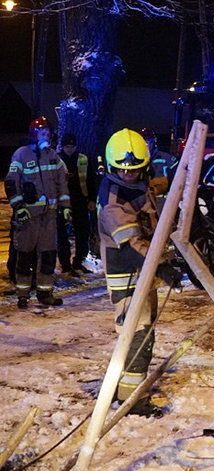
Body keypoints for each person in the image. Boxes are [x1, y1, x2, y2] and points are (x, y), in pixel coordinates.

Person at [98, 128, 181, 416]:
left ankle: (119, 389)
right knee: (139, 336)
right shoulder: (113, 202)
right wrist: (163, 266)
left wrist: (174, 180)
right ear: (112, 167)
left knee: (138, 334)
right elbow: (132, 246)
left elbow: (149, 189)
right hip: (129, 276)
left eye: (135, 170)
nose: (129, 174)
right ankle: (131, 399)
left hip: (142, 273)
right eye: (123, 170)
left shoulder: (135, 184)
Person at [4, 117, 70, 309]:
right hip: (28, 218)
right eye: (43, 133)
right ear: (34, 134)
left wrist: (66, 207)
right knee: (24, 255)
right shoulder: (21, 155)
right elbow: (11, 182)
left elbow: (62, 184)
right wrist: (19, 206)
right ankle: (23, 294)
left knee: (48, 255)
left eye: (48, 133)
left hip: (49, 217)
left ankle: (45, 293)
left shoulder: (53, 156)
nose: (47, 136)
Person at [56, 133, 94, 274]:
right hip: (62, 202)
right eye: (67, 146)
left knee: (82, 233)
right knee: (62, 235)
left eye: (72, 146)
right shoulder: (57, 159)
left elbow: (90, 180)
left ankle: (78, 262)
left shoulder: (83, 159)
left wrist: (91, 199)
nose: (70, 149)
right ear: (63, 146)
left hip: (80, 200)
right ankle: (65, 264)